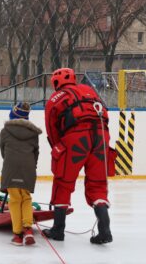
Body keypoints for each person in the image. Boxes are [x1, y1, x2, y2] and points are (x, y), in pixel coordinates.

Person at [42, 68, 114, 244]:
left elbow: (52, 130)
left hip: (76, 138)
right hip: (101, 138)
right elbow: (104, 115)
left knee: (63, 183)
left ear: (55, 82)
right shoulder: (89, 90)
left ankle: (58, 230)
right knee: (97, 185)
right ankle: (105, 230)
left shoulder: (55, 98)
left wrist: (59, 148)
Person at [0, 102, 42, 246]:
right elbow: (35, 153)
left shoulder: (5, 131)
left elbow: (3, 151)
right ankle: (28, 230)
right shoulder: (34, 133)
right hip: (28, 169)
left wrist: (11, 163)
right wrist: (31, 167)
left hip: (11, 168)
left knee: (15, 200)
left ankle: (17, 235)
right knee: (26, 198)